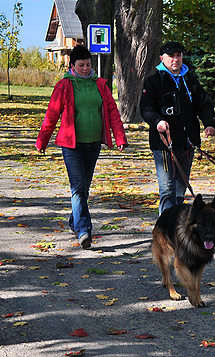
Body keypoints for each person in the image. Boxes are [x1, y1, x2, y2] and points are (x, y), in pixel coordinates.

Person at [35, 45, 128, 249]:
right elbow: (51, 115)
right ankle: (84, 230)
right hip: (71, 145)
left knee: (83, 189)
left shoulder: (101, 85)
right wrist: (42, 141)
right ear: (72, 66)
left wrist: (119, 137)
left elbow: (113, 112)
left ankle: (74, 221)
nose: (86, 68)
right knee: (78, 188)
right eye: (81, 65)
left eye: (88, 64)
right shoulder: (64, 86)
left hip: (93, 144)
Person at [140, 41, 215, 215]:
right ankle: (165, 233)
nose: (175, 59)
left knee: (179, 192)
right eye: (171, 56)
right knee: (167, 191)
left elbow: (204, 104)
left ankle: (176, 231)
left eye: (179, 55)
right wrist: (157, 121)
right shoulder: (153, 82)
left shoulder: (190, 80)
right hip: (164, 146)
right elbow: (146, 108)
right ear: (162, 58)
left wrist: (210, 124)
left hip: (187, 145)